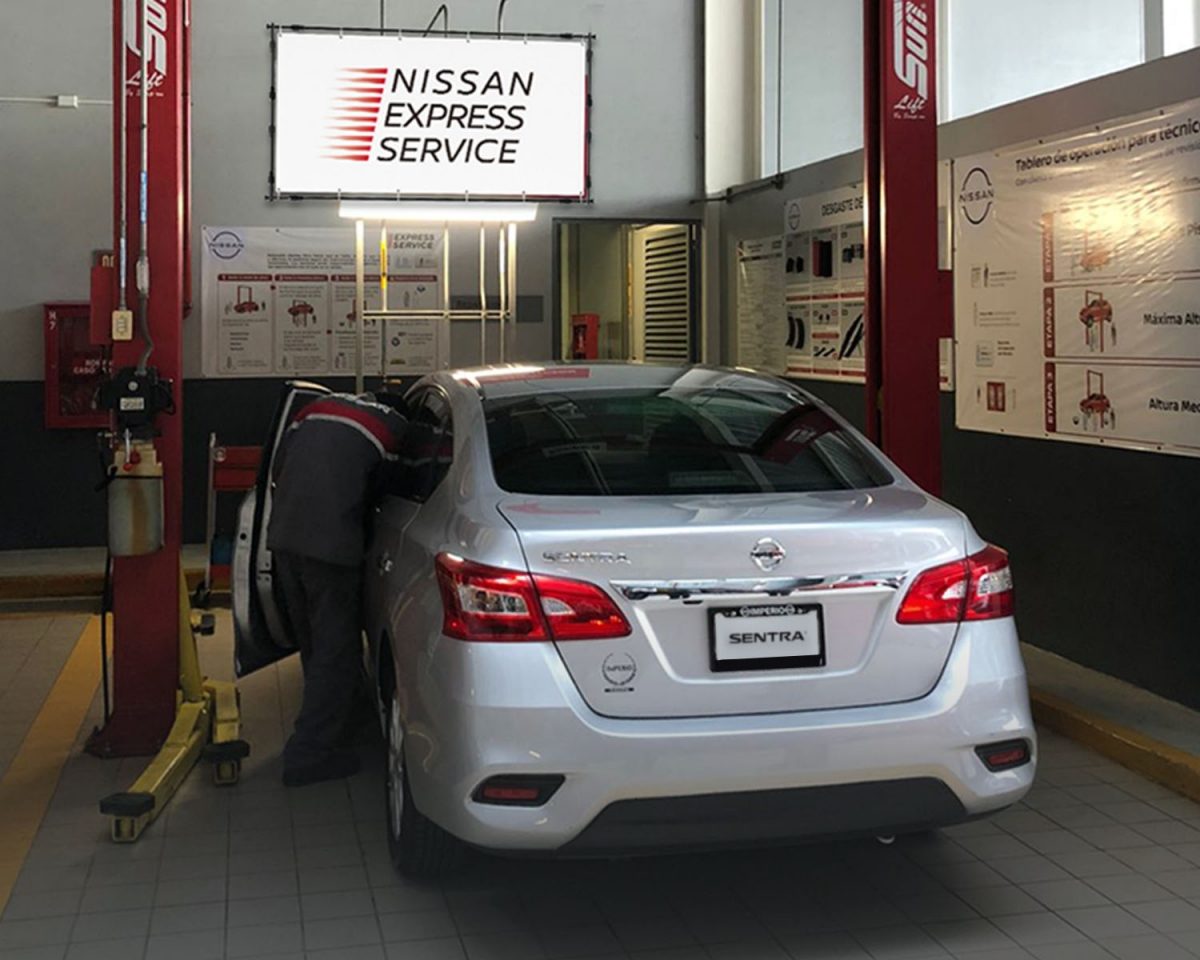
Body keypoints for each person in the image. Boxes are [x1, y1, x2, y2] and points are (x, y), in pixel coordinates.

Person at [267, 392, 407, 787]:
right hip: (331, 550)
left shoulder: (311, 410)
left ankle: (340, 722)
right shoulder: (393, 429)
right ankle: (310, 754)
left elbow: (280, 468)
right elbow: (388, 493)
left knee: (313, 643)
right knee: (336, 650)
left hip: (284, 540)